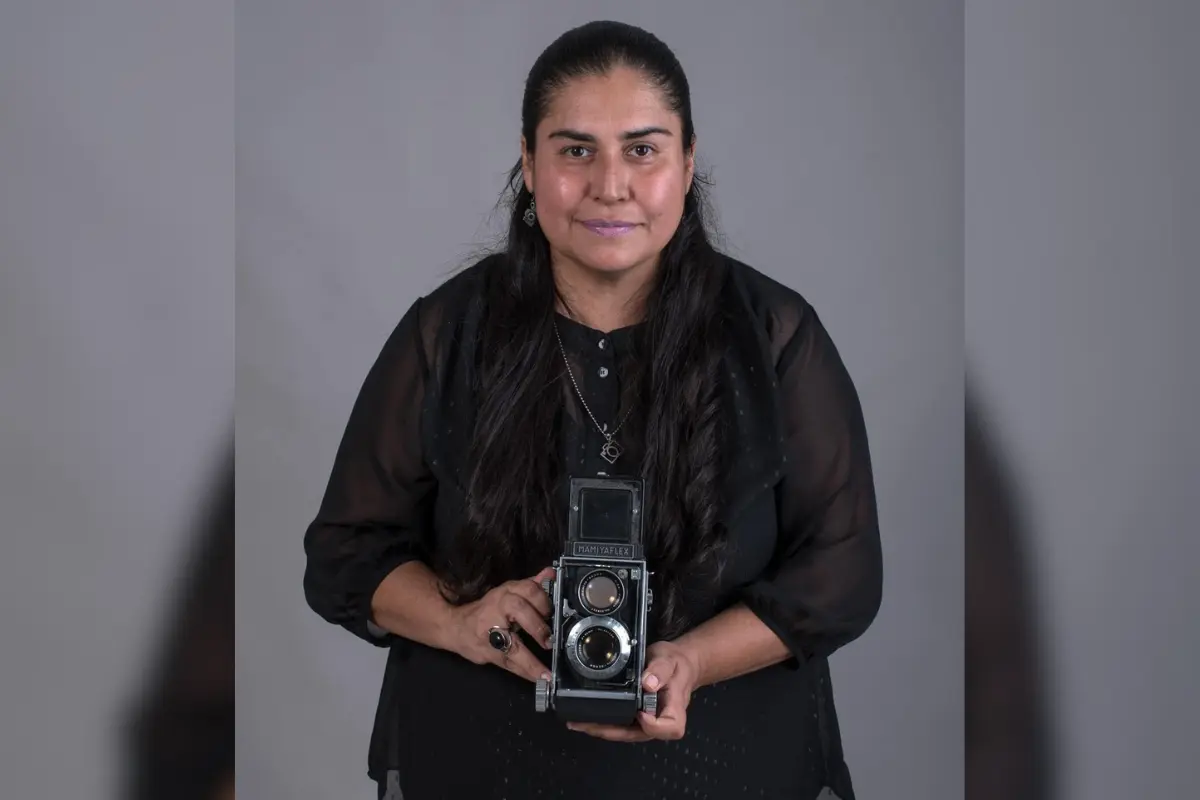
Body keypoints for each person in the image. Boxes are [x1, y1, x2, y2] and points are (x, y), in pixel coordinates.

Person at [303, 20, 882, 800]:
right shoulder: (446, 332)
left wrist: (692, 660)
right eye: (576, 150)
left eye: (642, 149)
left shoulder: (774, 334)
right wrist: (459, 619)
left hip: (729, 768)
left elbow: (842, 573)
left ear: (686, 160)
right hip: (484, 767)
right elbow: (345, 554)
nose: (611, 184)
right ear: (529, 163)